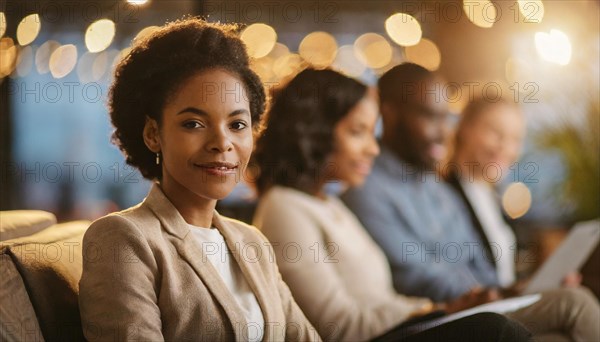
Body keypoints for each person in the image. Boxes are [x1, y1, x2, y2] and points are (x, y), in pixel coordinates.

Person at [78, 18, 320, 341]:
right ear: (153, 134)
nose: (222, 143)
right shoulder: (123, 239)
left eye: (237, 125)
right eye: (193, 123)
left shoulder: (253, 244)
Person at [252, 68, 531, 342]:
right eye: (357, 132)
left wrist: (441, 309)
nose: (373, 148)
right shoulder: (284, 208)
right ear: (317, 131)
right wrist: (440, 310)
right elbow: (341, 327)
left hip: (400, 328)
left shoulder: (331, 205)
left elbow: (385, 301)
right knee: (497, 329)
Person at [341, 62, 600, 340]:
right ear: (389, 115)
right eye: (429, 117)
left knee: (563, 326)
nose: (443, 132)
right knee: (574, 304)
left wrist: (516, 289)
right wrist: (492, 293)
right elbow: (414, 274)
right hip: (438, 316)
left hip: (480, 305)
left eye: (445, 118)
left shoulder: (433, 186)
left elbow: (474, 260)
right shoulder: (368, 187)